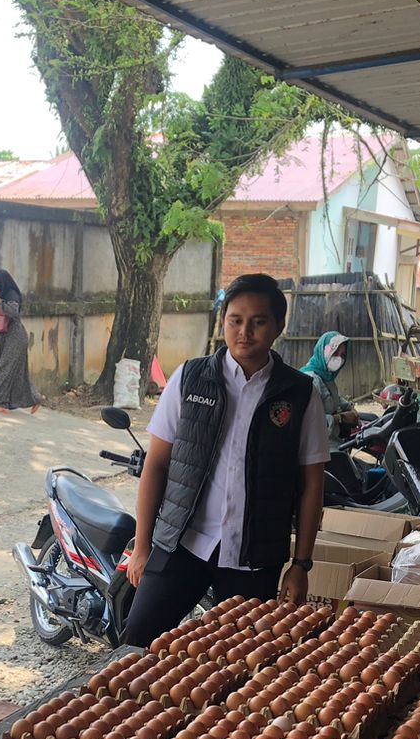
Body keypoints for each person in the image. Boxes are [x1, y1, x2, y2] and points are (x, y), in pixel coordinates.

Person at [121, 273, 329, 648]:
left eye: (258, 321)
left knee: (240, 660)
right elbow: (156, 465)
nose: (244, 331)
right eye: (235, 320)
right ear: (223, 322)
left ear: (279, 326)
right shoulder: (190, 378)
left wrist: (300, 565)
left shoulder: (299, 395)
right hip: (182, 544)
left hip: (254, 556)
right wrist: (141, 546)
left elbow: (313, 483)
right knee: (138, 640)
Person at [0, 269, 39, 413]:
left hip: (15, 337)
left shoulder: (11, 294)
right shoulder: (0, 295)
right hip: (5, 336)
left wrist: (0, 303)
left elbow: (13, 312)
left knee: (4, 370)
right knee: (14, 373)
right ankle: (36, 398)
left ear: (1, 283)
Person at [300, 331, 359, 439]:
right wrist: (340, 418)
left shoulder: (327, 378)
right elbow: (307, 422)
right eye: (335, 353)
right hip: (319, 447)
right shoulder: (311, 380)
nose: (339, 359)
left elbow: (336, 399)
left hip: (333, 441)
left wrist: (351, 410)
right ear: (323, 351)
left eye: (343, 355)